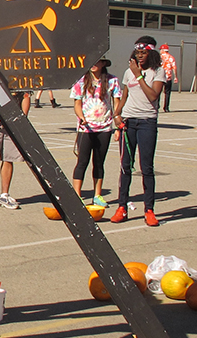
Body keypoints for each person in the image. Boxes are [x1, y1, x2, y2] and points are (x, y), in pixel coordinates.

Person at [111, 36, 167, 226]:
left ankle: (149, 210)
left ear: (151, 53)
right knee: (125, 166)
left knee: (146, 167)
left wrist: (139, 75)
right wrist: (117, 114)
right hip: (128, 121)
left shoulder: (158, 72)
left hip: (146, 122)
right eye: (137, 53)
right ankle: (122, 207)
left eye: (143, 53)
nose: (140, 56)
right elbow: (125, 96)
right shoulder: (129, 72)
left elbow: (153, 96)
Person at [70, 59, 120, 206]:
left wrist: (118, 123)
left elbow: (117, 102)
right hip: (86, 128)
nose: (94, 64)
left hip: (104, 127)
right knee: (82, 161)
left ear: (103, 64)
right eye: (92, 61)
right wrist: (81, 117)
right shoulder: (80, 81)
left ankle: (97, 195)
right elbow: (77, 104)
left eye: (98, 61)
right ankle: (77, 195)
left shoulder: (112, 80)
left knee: (99, 163)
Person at [159, 44, 179, 112]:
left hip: (160, 77)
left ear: (162, 50)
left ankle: (157, 106)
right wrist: (175, 77)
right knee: (167, 92)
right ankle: (166, 107)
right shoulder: (171, 57)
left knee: (158, 92)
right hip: (168, 77)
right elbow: (174, 67)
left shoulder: (159, 57)